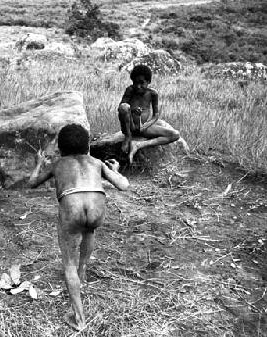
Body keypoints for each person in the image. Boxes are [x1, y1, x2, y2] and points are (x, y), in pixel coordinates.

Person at [29, 124, 130, 331]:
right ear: (86, 146)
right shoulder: (96, 162)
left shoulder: (57, 164)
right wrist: (114, 170)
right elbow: (124, 185)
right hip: (97, 205)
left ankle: (79, 318)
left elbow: (32, 182)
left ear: (61, 148)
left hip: (71, 204)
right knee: (89, 230)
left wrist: (39, 163)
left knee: (68, 263)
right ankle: (82, 271)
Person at [118, 64, 189, 163]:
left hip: (144, 128)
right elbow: (121, 107)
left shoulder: (153, 94)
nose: (138, 86)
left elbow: (156, 115)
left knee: (175, 134)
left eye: (142, 83)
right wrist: (132, 110)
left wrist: (146, 125)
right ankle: (128, 137)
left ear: (148, 82)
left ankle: (138, 145)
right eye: (135, 82)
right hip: (130, 126)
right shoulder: (130, 90)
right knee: (124, 107)